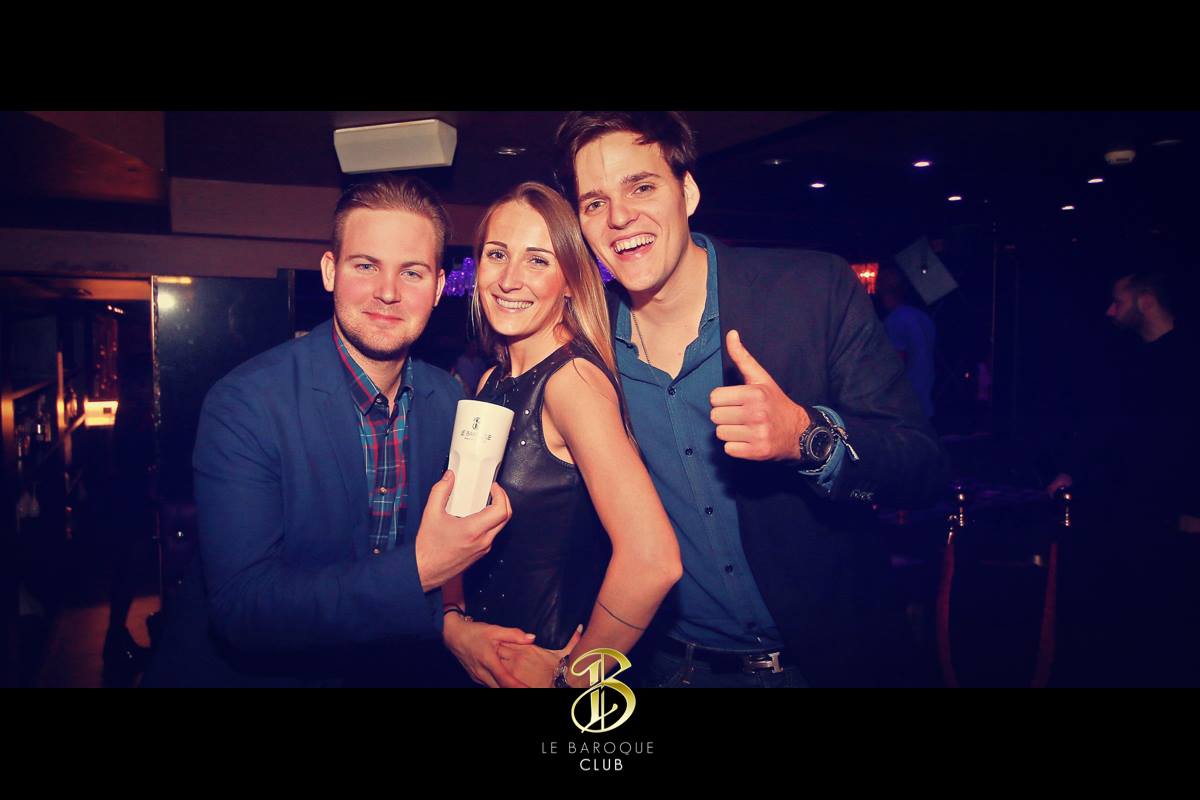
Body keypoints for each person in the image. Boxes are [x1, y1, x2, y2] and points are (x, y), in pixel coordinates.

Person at [553, 111, 949, 688]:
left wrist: (806, 437)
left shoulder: (812, 290)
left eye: (641, 186)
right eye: (594, 203)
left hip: (827, 664)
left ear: (687, 192)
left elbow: (924, 470)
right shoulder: (585, 348)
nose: (619, 217)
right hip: (670, 669)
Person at [141, 174, 512, 687]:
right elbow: (243, 609)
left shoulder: (447, 400)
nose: (388, 292)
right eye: (366, 266)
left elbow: (443, 561)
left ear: (438, 287)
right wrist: (421, 569)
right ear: (330, 272)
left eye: (412, 272)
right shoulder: (246, 403)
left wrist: (452, 626)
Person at [440, 181, 682, 689]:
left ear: (571, 279)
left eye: (537, 260)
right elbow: (460, 530)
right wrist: (455, 623)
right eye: (497, 255)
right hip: (481, 661)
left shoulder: (572, 382)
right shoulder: (492, 380)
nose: (509, 280)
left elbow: (653, 560)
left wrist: (572, 676)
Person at [1046, 270, 1199, 686]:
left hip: (1174, 519)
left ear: (1146, 301)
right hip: (1132, 515)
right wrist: (1074, 470)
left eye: (1119, 301)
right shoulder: (1127, 362)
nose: (1111, 311)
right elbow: (1108, 430)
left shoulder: (1188, 358)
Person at [877, 266, 937, 420]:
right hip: (925, 397)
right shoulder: (922, 317)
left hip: (905, 403)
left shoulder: (895, 320)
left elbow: (896, 364)